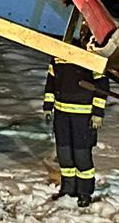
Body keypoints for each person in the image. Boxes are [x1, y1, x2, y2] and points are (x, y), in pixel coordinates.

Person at [43, 58, 106, 206]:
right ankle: (68, 189)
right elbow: (51, 83)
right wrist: (48, 106)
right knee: (64, 155)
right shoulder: (57, 57)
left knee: (81, 156)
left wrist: (97, 113)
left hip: (83, 117)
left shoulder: (87, 56)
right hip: (62, 116)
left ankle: (84, 193)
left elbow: (102, 84)